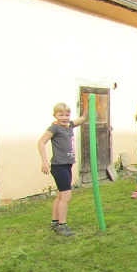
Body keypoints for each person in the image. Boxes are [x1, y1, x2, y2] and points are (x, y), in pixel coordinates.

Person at [37, 102, 89, 237]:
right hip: (59, 166)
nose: (64, 118)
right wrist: (44, 161)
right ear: (55, 115)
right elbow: (41, 142)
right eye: (61, 115)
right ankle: (62, 226)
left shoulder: (69, 125)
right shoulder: (54, 128)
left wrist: (90, 103)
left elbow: (84, 118)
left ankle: (55, 222)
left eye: (67, 115)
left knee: (60, 195)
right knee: (66, 196)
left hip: (67, 165)